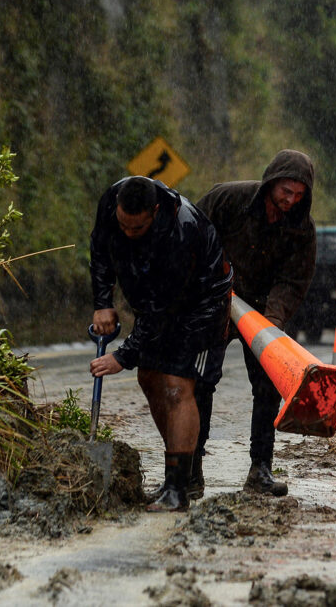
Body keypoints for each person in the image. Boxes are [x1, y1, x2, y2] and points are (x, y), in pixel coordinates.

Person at [89, 176, 233, 512]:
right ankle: (183, 475)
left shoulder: (181, 231)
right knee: (149, 377)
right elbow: (100, 249)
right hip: (157, 302)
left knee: (176, 385)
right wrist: (102, 301)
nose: (128, 232)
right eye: (123, 224)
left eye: (136, 229)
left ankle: (177, 491)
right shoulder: (112, 202)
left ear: (154, 212)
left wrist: (122, 356)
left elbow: (161, 309)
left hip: (202, 305)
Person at [194, 150, 317, 498]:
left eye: (298, 195)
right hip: (215, 301)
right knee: (201, 382)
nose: (290, 200)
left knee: (267, 388)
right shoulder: (228, 198)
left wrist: (272, 322)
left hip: (263, 311)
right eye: (285, 191)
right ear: (271, 182)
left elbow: (295, 280)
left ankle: (260, 468)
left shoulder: (302, 229)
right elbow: (191, 234)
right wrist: (203, 283)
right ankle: (192, 466)